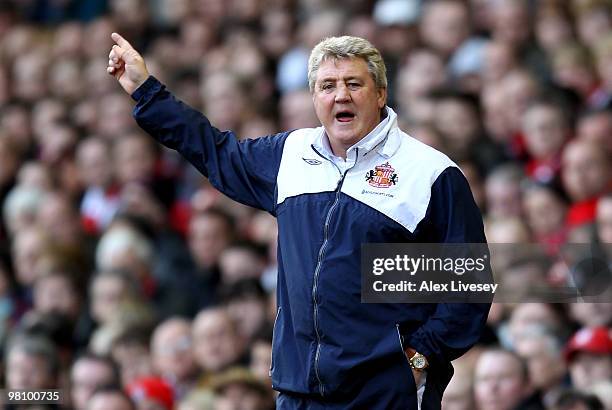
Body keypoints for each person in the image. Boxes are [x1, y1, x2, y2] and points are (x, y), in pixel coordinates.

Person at [108, 32, 490, 409]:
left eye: (354, 83)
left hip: (383, 393)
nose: (341, 95)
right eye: (327, 86)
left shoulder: (430, 173)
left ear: (380, 93)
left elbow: (470, 281)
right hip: (298, 391)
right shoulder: (289, 154)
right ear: (314, 98)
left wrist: (420, 357)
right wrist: (146, 90)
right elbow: (215, 150)